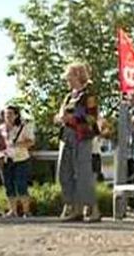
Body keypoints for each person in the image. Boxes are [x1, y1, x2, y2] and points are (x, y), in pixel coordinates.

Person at [56, 62, 101, 223]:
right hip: (66, 135)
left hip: (82, 136)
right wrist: (60, 118)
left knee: (83, 173)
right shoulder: (68, 96)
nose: (67, 79)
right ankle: (74, 207)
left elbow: (92, 117)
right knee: (64, 171)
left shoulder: (89, 95)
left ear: (77, 75)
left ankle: (92, 208)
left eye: (69, 76)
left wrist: (73, 118)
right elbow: (62, 114)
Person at [0, 105, 34, 218]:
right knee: (8, 185)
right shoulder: (1, 129)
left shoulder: (23, 127)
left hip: (21, 159)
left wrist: (17, 144)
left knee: (21, 185)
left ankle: (26, 211)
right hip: (6, 159)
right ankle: (12, 210)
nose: (8, 116)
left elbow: (31, 142)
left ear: (16, 115)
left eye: (10, 113)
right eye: (6, 114)